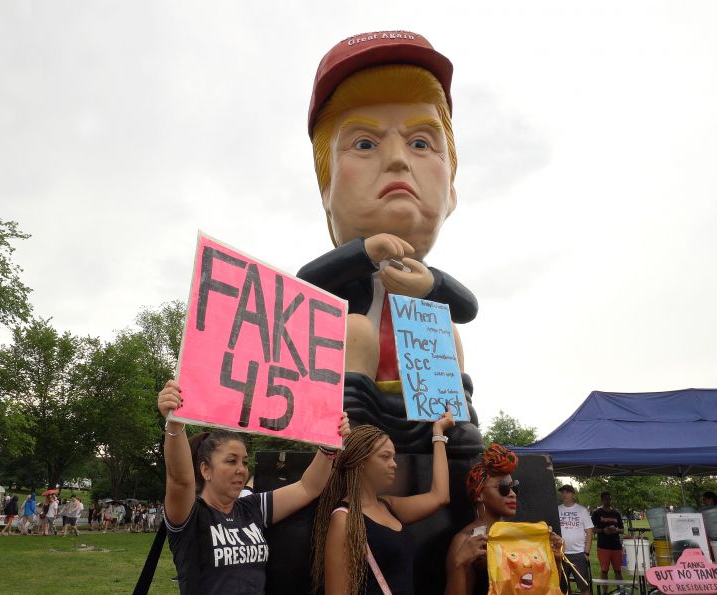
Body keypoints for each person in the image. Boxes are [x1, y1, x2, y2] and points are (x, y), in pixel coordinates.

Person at [296, 31, 482, 454]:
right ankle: (349, 428)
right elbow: (305, 286)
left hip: (420, 412)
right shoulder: (346, 271)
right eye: (365, 143)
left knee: (443, 331)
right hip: (358, 408)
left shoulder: (427, 283)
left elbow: (468, 307)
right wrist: (363, 253)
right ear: (326, 191)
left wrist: (430, 285)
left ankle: (453, 424)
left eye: (420, 143)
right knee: (354, 329)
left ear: (451, 193)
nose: (397, 159)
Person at [157, 378, 350, 594]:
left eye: (245, 462)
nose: (241, 469)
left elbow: (308, 488)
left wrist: (328, 445)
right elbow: (180, 480)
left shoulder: (252, 508)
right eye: (231, 461)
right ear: (205, 470)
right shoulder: (191, 516)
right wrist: (174, 422)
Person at [311, 412, 454, 595]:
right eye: (385, 456)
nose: (394, 464)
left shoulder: (388, 505)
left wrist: (438, 433)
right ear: (361, 461)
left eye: (393, 457)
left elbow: (440, 496)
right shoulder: (343, 519)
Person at [445, 443, 567, 595]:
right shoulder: (466, 540)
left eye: (513, 487)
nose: (512, 494)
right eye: (503, 488)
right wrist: (458, 564)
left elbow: (544, 587)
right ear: (479, 494)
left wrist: (554, 559)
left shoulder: (516, 534)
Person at [557, 485, 593, 595]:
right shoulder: (557, 510)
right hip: (561, 554)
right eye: (563, 492)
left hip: (579, 554)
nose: (564, 494)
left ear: (573, 494)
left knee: (584, 587)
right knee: (562, 587)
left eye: (567, 492)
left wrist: (586, 553)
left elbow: (589, 532)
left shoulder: (582, 510)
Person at [591, 491, 625, 582]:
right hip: (603, 546)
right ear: (602, 500)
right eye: (606, 499)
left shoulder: (616, 513)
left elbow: (622, 529)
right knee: (604, 570)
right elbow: (592, 529)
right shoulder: (597, 513)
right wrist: (603, 530)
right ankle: (605, 589)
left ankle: (620, 589)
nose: (608, 501)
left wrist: (616, 530)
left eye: (610, 499)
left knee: (618, 570)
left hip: (616, 546)